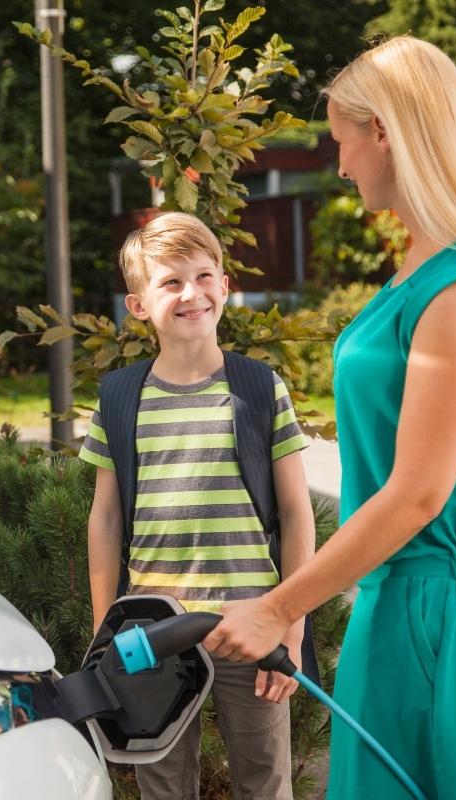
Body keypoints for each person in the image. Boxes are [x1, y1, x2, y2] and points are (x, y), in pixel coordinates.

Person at [202, 36, 456, 800]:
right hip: (402, 596)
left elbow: (420, 493)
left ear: (385, 131)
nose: (340, 164)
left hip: (443, 606)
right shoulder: (423, 273)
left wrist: (279, 607)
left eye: (341, 141)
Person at [79, 211, 315, 800]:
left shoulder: (260, 388)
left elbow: (296, 513)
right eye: (170, 282)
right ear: (138, 306)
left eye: (204, 275)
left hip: (251, 620)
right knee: (163, 786)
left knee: (265, 782)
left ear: (225, 287)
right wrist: (106, 630)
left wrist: (290, 622)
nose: (191, 293)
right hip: (153, 630)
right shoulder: (119, 396)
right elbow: (105, 519)